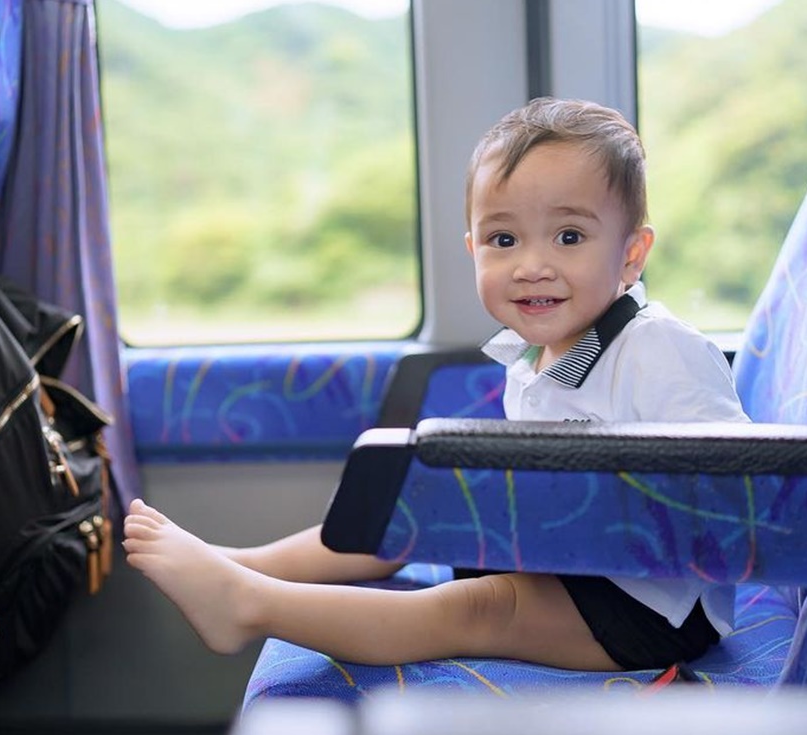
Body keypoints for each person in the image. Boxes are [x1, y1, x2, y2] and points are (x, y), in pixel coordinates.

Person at [122, 97, 749, 672]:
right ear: (474, 248)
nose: (532, 264)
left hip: (650, 604)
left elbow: (738, 486)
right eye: (504, 239)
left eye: (569, 237)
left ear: (632, 255)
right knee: (410, 512)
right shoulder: (536, 357)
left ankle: (246, 606)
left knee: (476, 608)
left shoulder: (659, 350)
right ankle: (248, 563)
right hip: (561, 557)